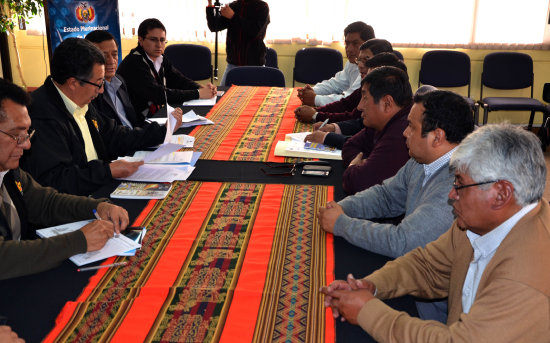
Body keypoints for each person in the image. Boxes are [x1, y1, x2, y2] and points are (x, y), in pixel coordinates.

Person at [321, 124, 550, 342]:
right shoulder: (478, 223)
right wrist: (371, 285)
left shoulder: (527, 274)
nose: (451, 194)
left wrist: (366, 311)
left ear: (501, 194)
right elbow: (428, 266)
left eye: (460, 184)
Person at [318, 90, 475, 322]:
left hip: (433, 311)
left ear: (437, 137)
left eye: (411, 126)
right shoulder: (421, 161)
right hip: (412, 280)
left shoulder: (457, 184)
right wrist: (342, 207)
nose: (404, 132)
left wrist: (342, 224)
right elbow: (386, 196)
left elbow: (403, 241)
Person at [0, 78, 129, 280]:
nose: (26, 146)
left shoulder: (8, 171)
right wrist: (78, 241)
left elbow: (45, 203)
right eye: (16, 135)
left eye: (27, 133)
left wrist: (98, 208)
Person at [20, 38, 168, 196]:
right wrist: (107, 171)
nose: (102, 90)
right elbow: (56, 181)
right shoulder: (42, 116)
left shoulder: (79, 99)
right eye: (99, 82)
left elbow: (113, 135)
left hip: (99, 189)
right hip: (75, 206)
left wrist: (162, 131)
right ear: (73, 83)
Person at [85, 30, 182, 135]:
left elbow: (134, 121)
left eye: (114, 54)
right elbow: (114, 137)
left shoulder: (120, 81)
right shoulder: (91, 92)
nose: (111, 60)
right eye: (104, 56)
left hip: (137, 139)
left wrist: (162, 127)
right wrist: (161, 131)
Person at [118, 18, 216, 119]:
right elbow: (159, 95)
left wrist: (200, 87)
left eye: (162, 40)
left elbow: (178, 80)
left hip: (156, 114)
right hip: (137, 122)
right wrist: (198, 93)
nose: (159, 45)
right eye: (153, 40)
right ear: (141, 40)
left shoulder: (160, 57)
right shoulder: (134, 63)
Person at [295, 41, 396, 125]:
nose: (360, 65)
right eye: (359, 60)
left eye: (366, 60)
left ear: (382, 61)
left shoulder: (389, 88)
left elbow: (356, 120)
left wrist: (316, 115)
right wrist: (317, 111)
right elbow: (346, 103)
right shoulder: (368, 82)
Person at [298, 21, 375, 107]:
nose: (349, 49)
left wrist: (315, 99)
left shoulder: (372, 68)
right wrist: (313, 90)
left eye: (355, 43)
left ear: (368, 44)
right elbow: (335, 84)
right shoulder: (352, 62)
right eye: (347, 43)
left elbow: (350, 100)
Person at [206, 0, 270, 86]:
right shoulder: (233, 6)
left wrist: (233, 16)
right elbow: (214, 26)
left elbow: (254, 31)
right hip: (233, 65)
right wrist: (210, 5)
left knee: (255, 97)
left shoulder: (262, 7)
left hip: (255, 65)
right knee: (222, 97)